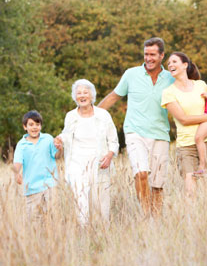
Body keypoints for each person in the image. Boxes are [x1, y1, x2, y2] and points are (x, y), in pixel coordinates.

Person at [98, 37, 174, 218]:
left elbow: (189, 89)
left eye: (153, 55)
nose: (148, 58)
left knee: (157, 184)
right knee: (141, 174)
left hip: (160, 133)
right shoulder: (131, 74)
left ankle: (156, 220)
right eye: (146, 54)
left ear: (162, 55)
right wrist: (91, 115)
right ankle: (145, 214)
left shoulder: (171, 77)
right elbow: (113, 97)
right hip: (134, 131)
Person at [161, 52, 207, 198]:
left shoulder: (201, 85)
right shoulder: (168, 92)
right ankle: (191, 219)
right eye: (168, 64)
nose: (170, 65)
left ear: (185, 65)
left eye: (174, 62)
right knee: (191, 192)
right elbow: (183, 119)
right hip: (186, 146)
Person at [54, 79, 119, 226]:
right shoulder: (71, 116)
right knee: (81, 197)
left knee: (100, 200)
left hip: (99, 163)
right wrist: (59, 140)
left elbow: (114, 141)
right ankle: (84, 230)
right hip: (77, 162)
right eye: (78, 93)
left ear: (92, 96)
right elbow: (66, 134)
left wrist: (109, 156)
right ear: (74, 96)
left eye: (85, 92)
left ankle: (102, 230)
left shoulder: (103, 115)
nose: (82, 96)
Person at [12, 110, 61, 222]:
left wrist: (59, 148)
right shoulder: (21, 144)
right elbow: (17, 162)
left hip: (50, 184)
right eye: (31, 124)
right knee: (34, 220)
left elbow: (57, 155)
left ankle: (53, 238)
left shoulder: (48, 138)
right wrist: (16, 173)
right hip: (32, 187)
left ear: (41, 126)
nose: (35, 127)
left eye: (37, 124)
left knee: (53, 217)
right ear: (25, 127)